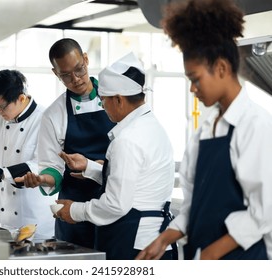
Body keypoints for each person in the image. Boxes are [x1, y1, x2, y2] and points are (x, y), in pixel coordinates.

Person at [136, 0, 272, 260]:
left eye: (195, 79)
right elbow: (195, 204)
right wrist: (162, 240)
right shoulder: (206, 130)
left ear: (221, 68)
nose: (192, 89)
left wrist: (211, 255)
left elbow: (265, 212)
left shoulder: (255, 125)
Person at [54, 52, 177, 260]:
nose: (103, 106)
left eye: (104, 100)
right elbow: (137, 181)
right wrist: (91, 168)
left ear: (119, 100)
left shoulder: (127, 140)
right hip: (154, 242)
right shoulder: (152, 127)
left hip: (132, 244)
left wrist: (74, 211)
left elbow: (115, 204)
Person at [15, 38, 115, 249]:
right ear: (55, 73)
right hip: (73, 210)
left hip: (113, 202)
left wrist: (98, 165)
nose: (76, 79)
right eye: (66, 75)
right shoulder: (54, 114)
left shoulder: (116, 99)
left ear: (86, 60)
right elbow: (52, 167)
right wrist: (42, 179)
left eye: (79, 69)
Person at [0, 69, 54, 238]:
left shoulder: (45, 119)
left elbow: (41, 165)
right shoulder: (2, 116)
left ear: (21, 98)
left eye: (1, 106)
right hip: (6, 220)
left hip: (36, 222)